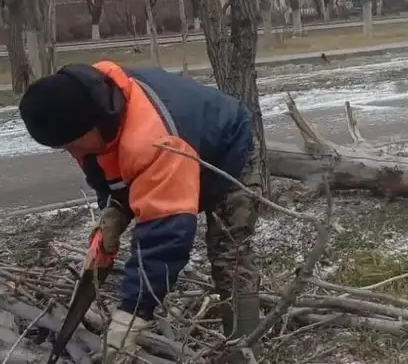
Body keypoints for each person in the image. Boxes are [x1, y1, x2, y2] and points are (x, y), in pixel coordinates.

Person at [18, 61, 264, 362]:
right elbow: (114, 169)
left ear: (92, 123)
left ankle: (247, 352)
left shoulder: (154, 141)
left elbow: (165, 236)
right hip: (176, 150)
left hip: (227, 153)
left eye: (74, 144)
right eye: (65, 147)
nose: (75, 154)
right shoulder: (94, 100)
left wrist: (133, 312)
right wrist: (113, 213)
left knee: (230, 257)